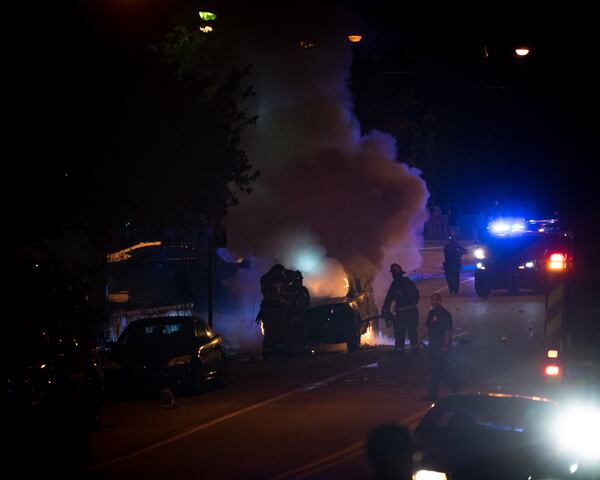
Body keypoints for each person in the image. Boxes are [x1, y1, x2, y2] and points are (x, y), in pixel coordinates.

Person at [420, 293, 460, 400]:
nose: (434, 302)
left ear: (440, 301)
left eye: (436, 300)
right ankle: (451, 384)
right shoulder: (431, 313)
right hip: (433, 346)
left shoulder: (445, 314)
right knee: (435, 370)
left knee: (437, 369)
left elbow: (447, 331)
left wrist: (446, 345)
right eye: (432, 300)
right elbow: (429, 328)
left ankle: (452, 383)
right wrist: (420, 339)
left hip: (441, 346)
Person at [382, 263, 420, 354]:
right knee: (412, 332)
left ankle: (400, 352)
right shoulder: (409, 282)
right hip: (412, 312)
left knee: (400, 333)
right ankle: (415, 350)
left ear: (393, 274)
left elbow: (389, 299)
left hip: (401, 314)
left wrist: (385, 310)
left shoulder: (395, 285)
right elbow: (417, 295)